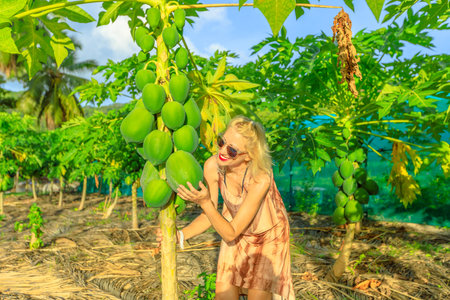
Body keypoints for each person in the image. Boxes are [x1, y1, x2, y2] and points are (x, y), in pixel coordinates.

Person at [158, 116, 295, 300]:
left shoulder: (260, 178)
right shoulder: (213, 166)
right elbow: (210, 214)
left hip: (268, 237)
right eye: (221, 141)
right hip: (233, 226)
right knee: (224, 293)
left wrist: (205, 202)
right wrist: (180, 235)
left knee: (258, 295)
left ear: (248, 156)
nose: (222, 150)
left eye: (231, 150)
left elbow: (229, 231)